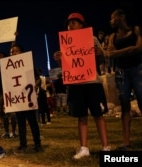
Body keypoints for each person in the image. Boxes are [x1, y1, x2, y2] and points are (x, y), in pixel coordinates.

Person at [61, 12, 110, 159]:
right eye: (69, 23)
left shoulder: (92, 38)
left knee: (98, 115)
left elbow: (102, 60)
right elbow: (67, 66)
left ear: (82, 25)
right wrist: (59, 59)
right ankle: (84, 148)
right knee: (81, 117)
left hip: (92, 83)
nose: (71, 25)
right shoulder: (66, 42)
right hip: (76, 84)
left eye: (74, 22)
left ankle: (106, 147)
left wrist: (99, 53)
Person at [105, 9, 142, 150]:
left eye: (112, 18)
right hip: (122, 72)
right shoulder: (112, 36)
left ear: (121, 17)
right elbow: (110, 54)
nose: (111, 21)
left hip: (137, 69)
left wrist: (118, 52)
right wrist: (129, 49)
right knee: (125, 105)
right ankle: (126, 142)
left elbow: (139, 48)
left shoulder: (136, 30)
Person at [10, 43, 42, 152]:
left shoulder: (28, 65)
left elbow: (38, 78)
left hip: (28, 97)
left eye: (16, 51)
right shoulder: (8, 68)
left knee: (32, 122)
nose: (13, 53)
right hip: (18, 99)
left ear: (21, 52)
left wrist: (35, 85)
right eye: (11, 52)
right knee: (21, 123)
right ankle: (23, 144)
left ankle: (37, 144)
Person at [0, 52, 18, 139]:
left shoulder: (10, 67)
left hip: (10, 93)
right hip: (0, 94)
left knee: (12, 114)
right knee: (2, 114)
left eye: (0, 55)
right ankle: (6, 132)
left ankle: (14, 132)